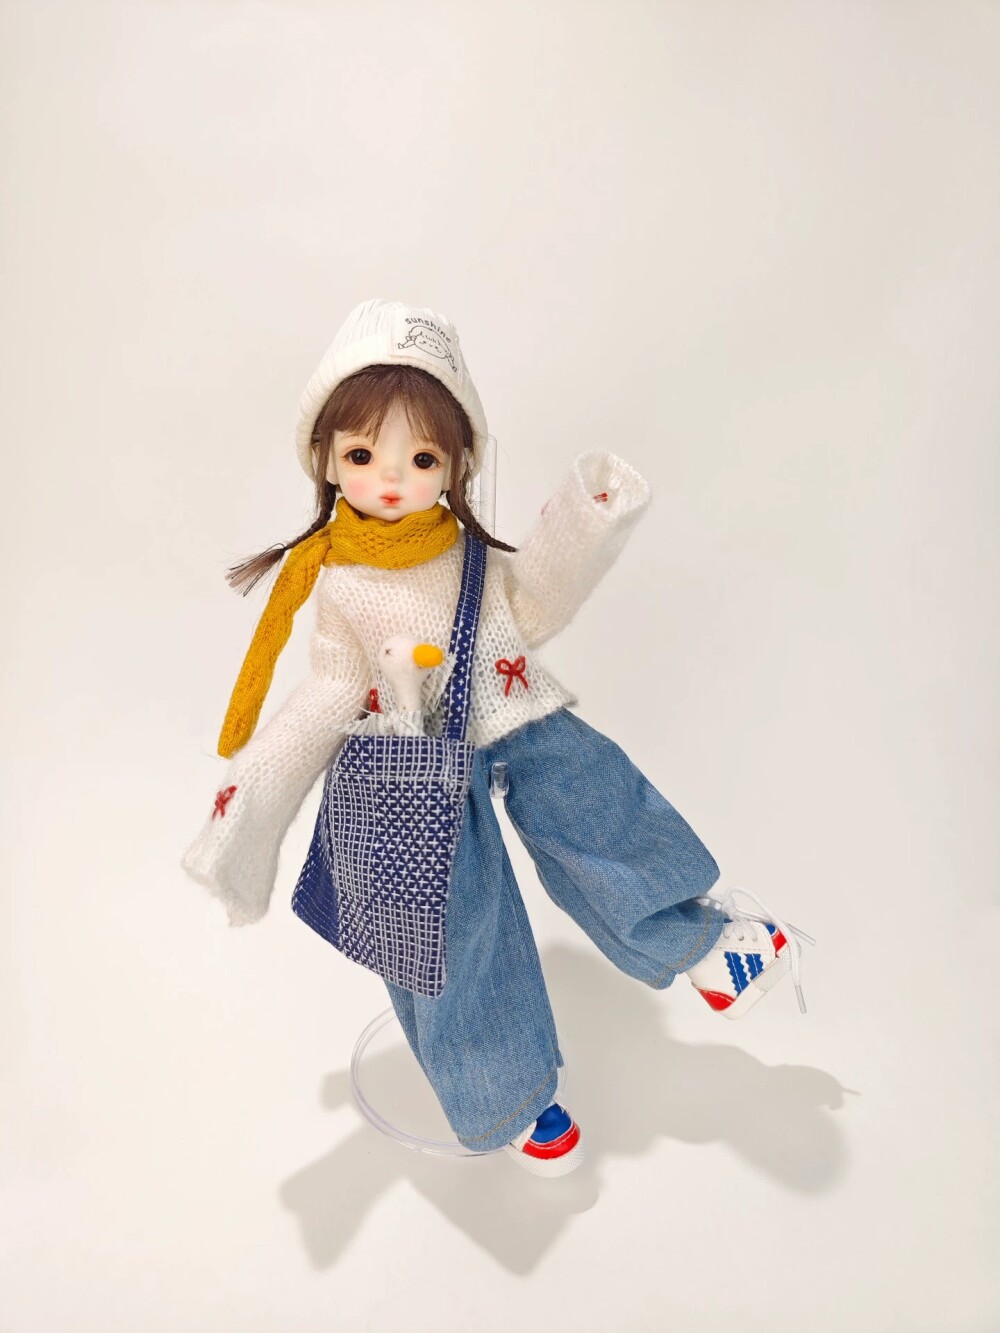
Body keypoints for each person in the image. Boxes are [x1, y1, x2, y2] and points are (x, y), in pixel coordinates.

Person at [183, 298, 811, 1178]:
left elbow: (536, 600)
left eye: (421, 458)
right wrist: (249, 802)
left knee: (597, 802)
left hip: (514, 710)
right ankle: (507, 1093)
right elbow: (327, 691)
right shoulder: (342, 581)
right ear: (324, 457)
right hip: (403, 757)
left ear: (457, 462)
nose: (391, 480)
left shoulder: (467, 553)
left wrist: (586, 515)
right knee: (451, 923)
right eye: (362, 455)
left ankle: (700, 944)